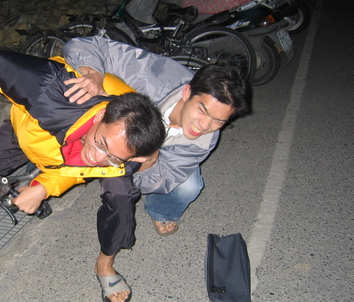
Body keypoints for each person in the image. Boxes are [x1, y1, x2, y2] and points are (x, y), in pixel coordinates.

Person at [0, 48, 166, 302]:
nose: (97, 158)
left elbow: (79, 169)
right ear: (99, 117)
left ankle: (104, 264)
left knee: (121, 197)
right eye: (101, 143)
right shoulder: (51, 91)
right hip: (31, 130)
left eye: (113, 157)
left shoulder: (121, 154)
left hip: (65, 150)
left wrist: (43, 187)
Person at [63, 36, 251, 249]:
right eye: (202, 110)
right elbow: (83, 44)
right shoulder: (154, 76)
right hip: (99, 132)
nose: (204, 126)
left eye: (219, 121)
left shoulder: (204, 140)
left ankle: (159, 211)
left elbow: (163, 178)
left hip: (142, 159)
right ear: (187, 92)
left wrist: (149, 161)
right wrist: (93, 74)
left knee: (190, 186)